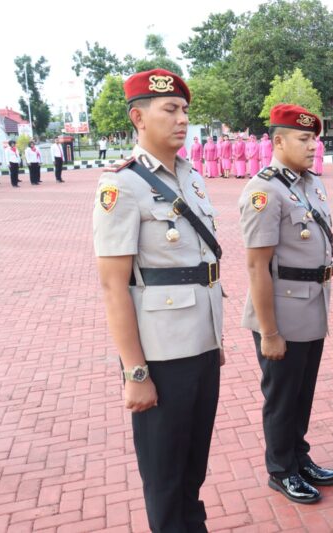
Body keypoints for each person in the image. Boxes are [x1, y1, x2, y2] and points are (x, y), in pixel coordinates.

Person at [93, 68, 224, 532]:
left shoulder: (191, 177)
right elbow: (114, 286)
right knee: (165, 478)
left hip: (203, 346)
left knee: (193, 469)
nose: (182, 119)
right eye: (170, 109)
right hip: (162, 356)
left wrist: (216, 341)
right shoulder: (121, 187)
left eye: (185, 110)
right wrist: (135, 373)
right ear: (139, 117)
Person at [238, 103, 333, 505]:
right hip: (280, 310)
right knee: (281, 398)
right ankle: (281, 471)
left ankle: (299, 457)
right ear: (278, 141)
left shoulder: (310, 183)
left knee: (302, 393)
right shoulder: (264, 191)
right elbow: (256, 266)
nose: (312, 145)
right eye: (303, 138)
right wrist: (269, 332)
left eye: (314, 137)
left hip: (313, 305)